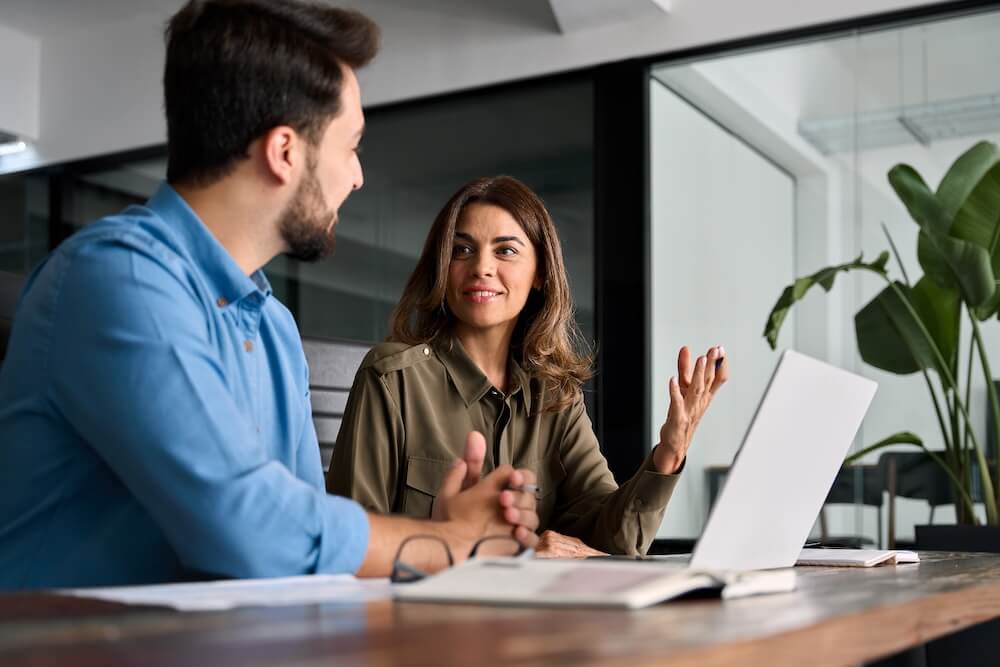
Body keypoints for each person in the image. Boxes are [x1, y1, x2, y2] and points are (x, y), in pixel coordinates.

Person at [0, 0, 538, 592]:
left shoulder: (273, 328)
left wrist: (432, 532)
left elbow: (297, 538)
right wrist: (445, 545)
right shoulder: (117, 279)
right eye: (350, 145)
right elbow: (249, 527)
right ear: (284, 152)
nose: (356, 177)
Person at [326, 176, 728, 557]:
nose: (481, 267)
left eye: (506, 250)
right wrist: (511, 557)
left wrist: (671, 453)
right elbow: (350, 549)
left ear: (539, 273)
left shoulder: (556, 396)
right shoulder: (393, 378)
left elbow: (614, 541)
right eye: (462, 249)